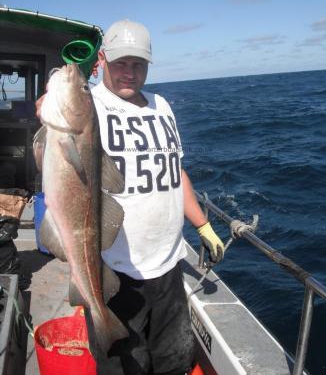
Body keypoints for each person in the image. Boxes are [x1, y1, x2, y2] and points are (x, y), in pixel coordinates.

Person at [36, 19, 225, 375]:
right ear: (103, 61)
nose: (129, 72)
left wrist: (203, 225)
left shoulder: (161, 105)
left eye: (138, 64)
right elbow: (54, 119)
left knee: (173, 362)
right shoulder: (93, 105)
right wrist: (53, 102)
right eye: (121, 62)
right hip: (117, 267)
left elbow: (175, 172)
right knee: (124, 367)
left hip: (169, 265)